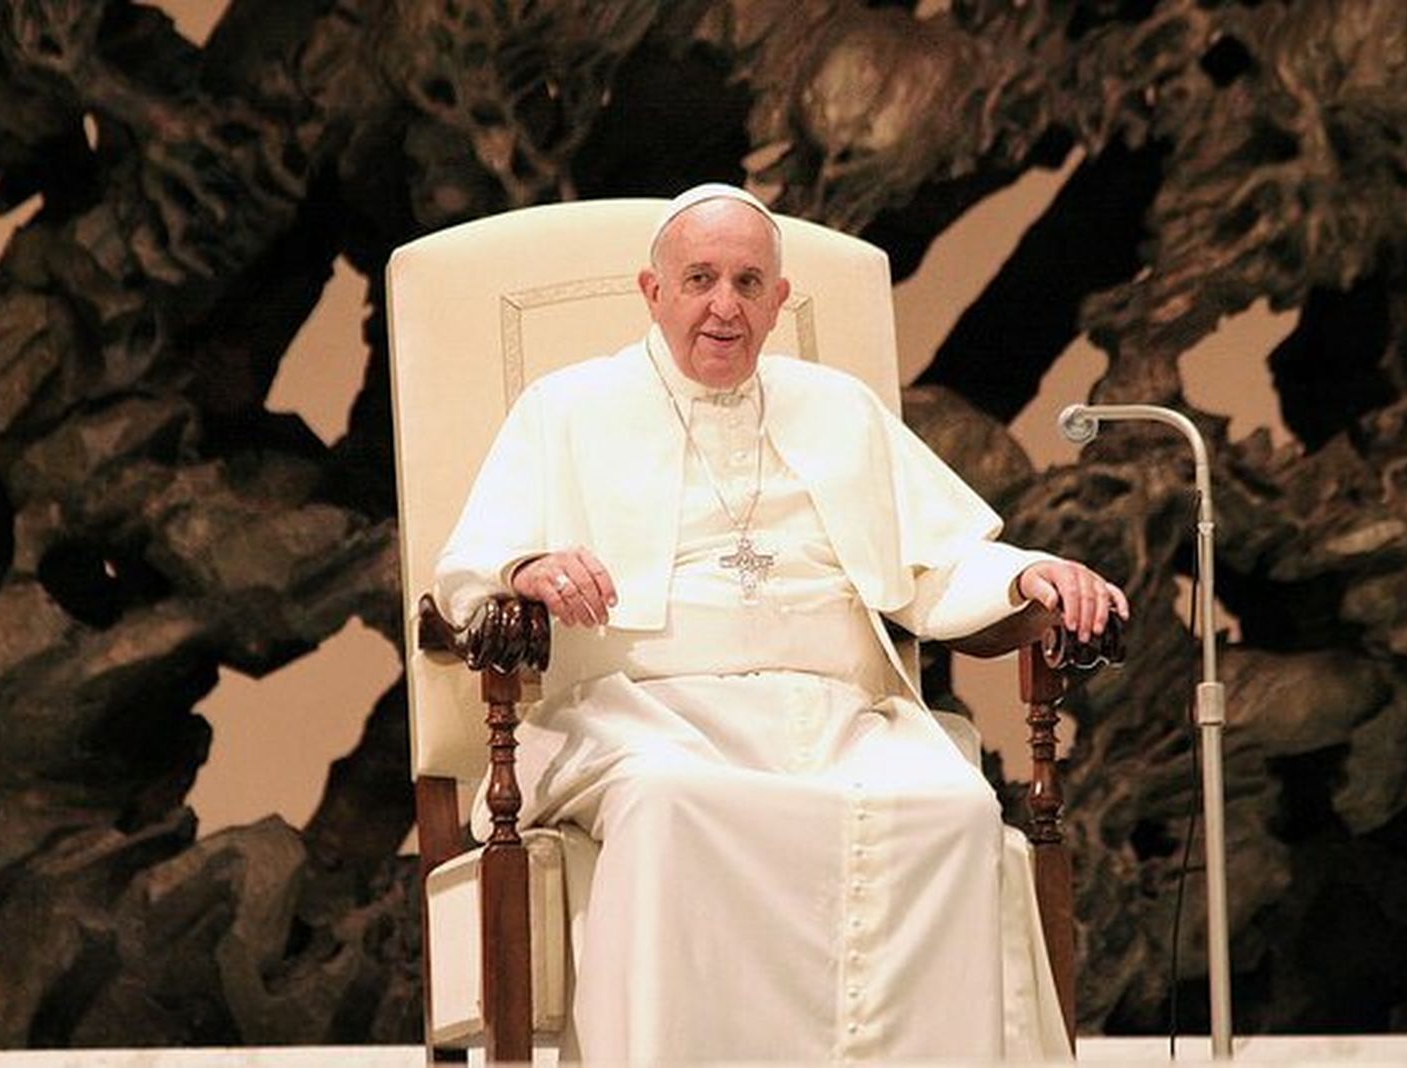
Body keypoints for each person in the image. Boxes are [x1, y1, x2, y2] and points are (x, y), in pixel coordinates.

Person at [435, 183, 1129, 1064]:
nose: (725, 306)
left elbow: (938, 562)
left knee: (955, 808)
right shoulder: (567, 408)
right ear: (653, 293)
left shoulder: (838, 410)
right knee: (672, 803)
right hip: (647, 717)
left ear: (778, 300)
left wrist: (1028, 573)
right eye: (700, 280)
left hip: (835, 718)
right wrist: (526, 569)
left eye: (749, 283)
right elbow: (470, 568)